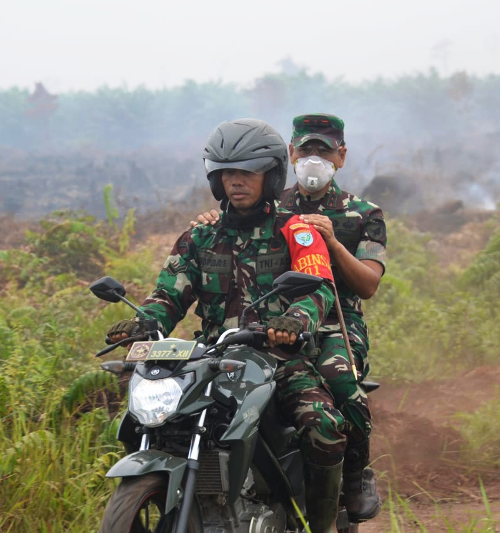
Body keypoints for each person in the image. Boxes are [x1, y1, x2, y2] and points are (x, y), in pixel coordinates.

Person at [108, 118, 346, 533]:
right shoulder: (199, 237)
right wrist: (141, 324)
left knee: (323, 426)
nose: (236, 182)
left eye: (246, 172)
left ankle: (323, 526)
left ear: (271, 175)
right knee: (148, 421)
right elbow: (168, 295)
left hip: (278, 358)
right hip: (214, 357)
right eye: (227, 173)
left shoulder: (296, 230)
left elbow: (319, 289)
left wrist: (294, 319)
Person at [191, 113, 386, 522]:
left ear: (341, 156)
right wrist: (217, 218)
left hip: (336, 321)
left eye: (324, 150)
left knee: (343, 386)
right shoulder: (270, 203)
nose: (314, 157)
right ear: (290, 154)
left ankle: (353, 478)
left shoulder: (362, 214)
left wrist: (330, 241)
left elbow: (367, 284)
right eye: (306, 149)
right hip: (264, 325)